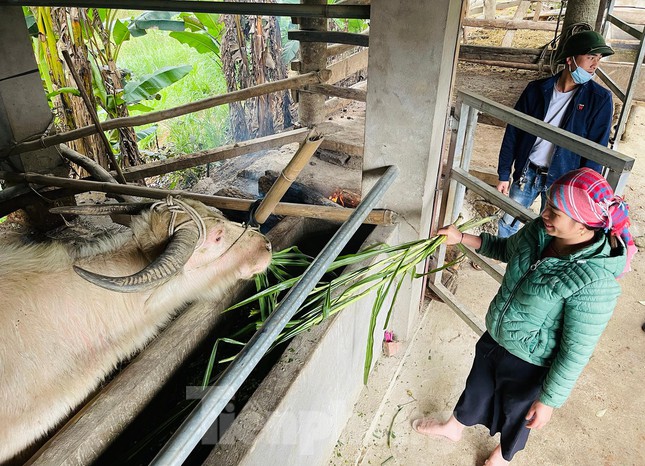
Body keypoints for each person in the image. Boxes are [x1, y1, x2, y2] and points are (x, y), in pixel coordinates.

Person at [412, 168, 636, 465]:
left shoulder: (595, 282)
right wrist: (461, 237)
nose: (545, 213)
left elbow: (576, 352)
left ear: (583, 227)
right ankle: (454, 428)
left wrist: (549, 401)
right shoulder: (539, 231)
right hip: (497, 334)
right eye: (547, 205)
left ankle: (502, 457)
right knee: (477, 386)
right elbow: (506, 249)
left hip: (531, 361)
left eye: (554, 211)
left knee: (519, 411)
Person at [497, 30, 615, 238]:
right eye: (589, 57)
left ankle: (535, 268)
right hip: (528, 171)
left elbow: (597, 150)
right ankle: (496, 255)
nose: (595, 64)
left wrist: (581, 191)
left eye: (598, 59)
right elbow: (513, 131)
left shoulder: (600, 99)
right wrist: (504, 173)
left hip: (563, 179)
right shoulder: (536, 90)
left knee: (551, 232)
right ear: (570, 59)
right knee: (508, 220)